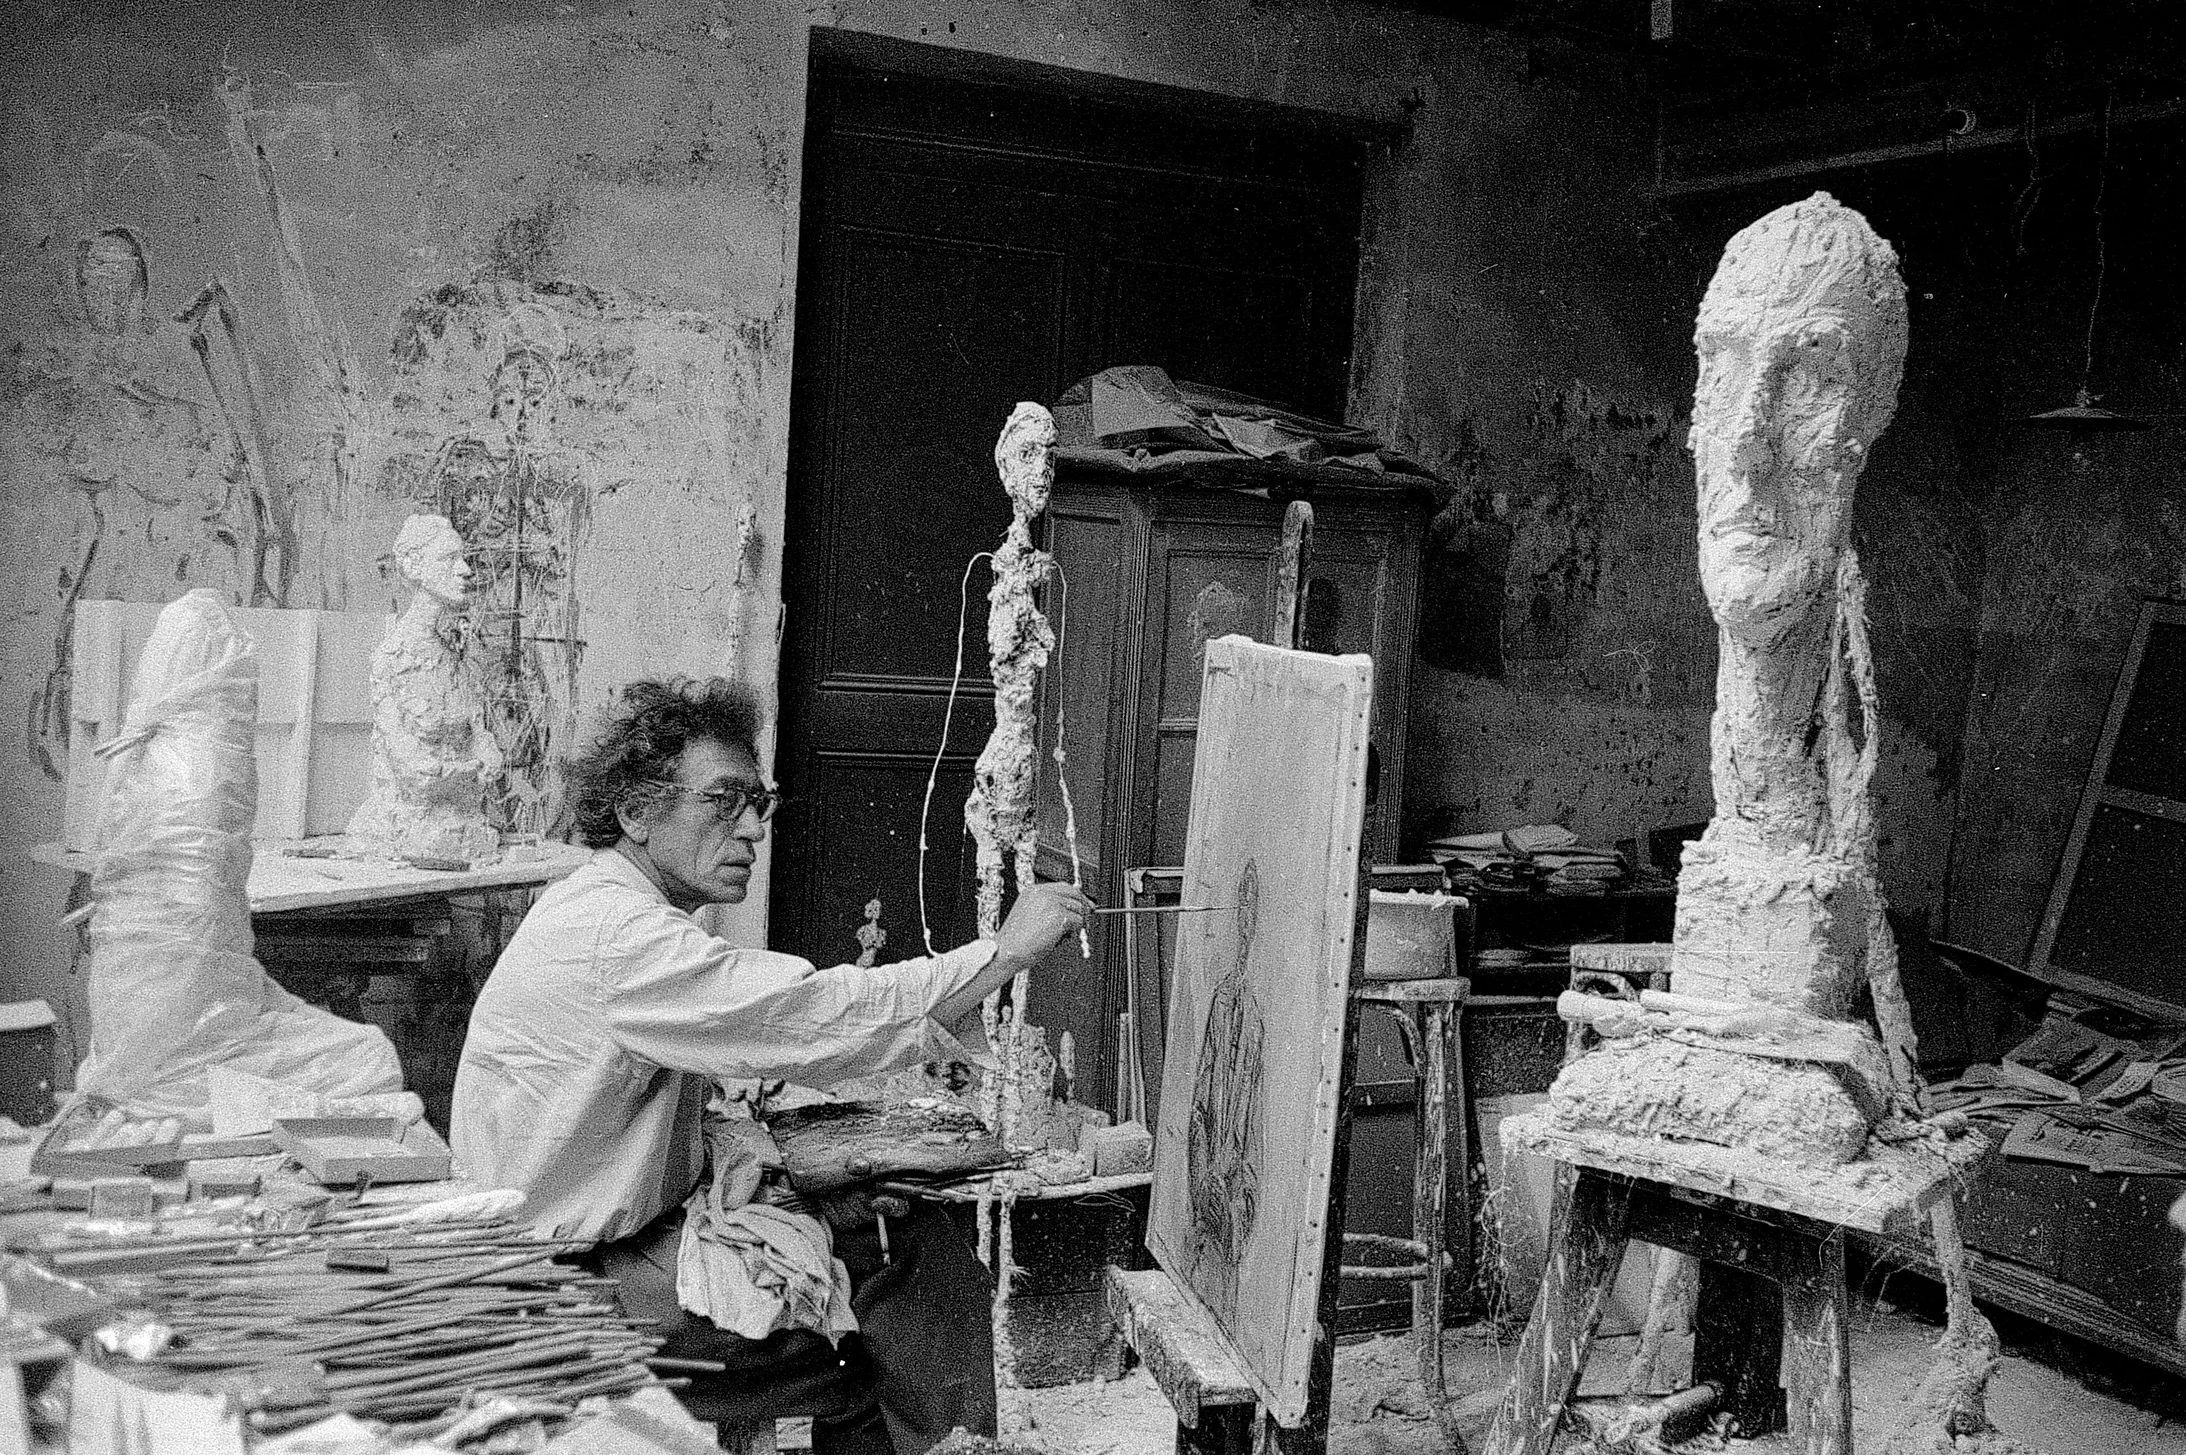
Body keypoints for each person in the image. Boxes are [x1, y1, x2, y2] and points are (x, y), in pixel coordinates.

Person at [451, 676, 1090, 1454]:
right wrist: (1003, 952)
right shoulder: (619, 935)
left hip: (599, 1246)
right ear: (635, 811)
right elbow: (813, 1014)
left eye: (759, 800)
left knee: (894, 1237)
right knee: (882, 1337)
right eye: (723, 801)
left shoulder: (609, 909)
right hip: (562, 1287)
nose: (752, 827)